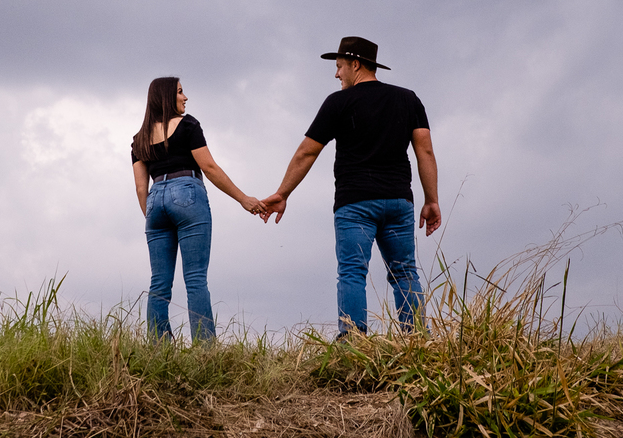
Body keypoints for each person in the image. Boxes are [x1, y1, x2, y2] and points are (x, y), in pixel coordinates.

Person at [259, 37, 441, 336]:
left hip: (355, 204)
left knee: (352, 272)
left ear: (355, 64)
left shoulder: (338, 103)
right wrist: (431, 200)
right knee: (405, 271)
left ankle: (353, 342)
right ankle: (418, 338)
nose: (336, 75)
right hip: (399, 202)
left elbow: (307, 152)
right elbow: (426, 151)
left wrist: (283, 193)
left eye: (339, 67)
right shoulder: (408, 99)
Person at [131, 76, 264, 341]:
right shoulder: (189, 124)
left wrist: (156, 217)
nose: (185, 97)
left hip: (155, 201)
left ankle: (158, 348)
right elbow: (209, 167)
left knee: (159, 283)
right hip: (187, 192)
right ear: (168, 97)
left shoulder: (139, 139)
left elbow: (139, 189)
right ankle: (205, 349)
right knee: (195, 279)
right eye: (180, 92)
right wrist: (243, 198)